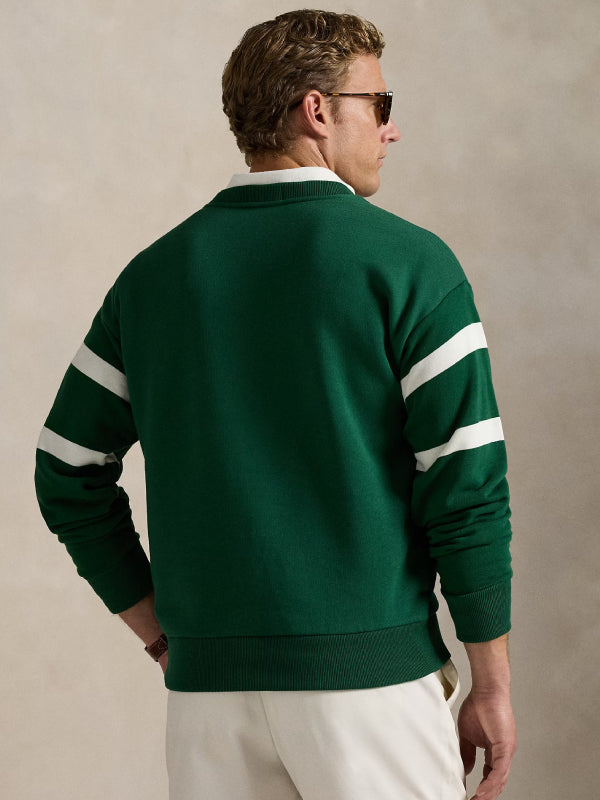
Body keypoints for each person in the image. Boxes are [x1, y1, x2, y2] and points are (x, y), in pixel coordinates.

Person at [35, 9, 516, 800]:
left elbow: (65, 469)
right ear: (317, 110)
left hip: (208, 702)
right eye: (380, 104)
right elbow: (466, 487)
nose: (391, 129)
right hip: (371, 691)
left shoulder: (152, 279)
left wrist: (162, 632)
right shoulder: (410, 265)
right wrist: (491, 683)